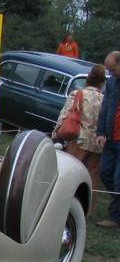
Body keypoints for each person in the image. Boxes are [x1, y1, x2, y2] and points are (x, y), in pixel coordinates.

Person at [53, 64, 105, 212]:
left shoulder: (78, 94)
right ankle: (87, 209)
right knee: (92, 177)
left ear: (88, 78)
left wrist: (56, 136)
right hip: (97, 144)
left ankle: (62, 203)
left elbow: (65, 115)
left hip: (79, 140)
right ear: (102, 83)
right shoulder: (104, 99)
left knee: (69, 172)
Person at [96, 51, 120, 228]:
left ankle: (115, 217)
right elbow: (104, 108)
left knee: (119, 179)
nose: (110, 74)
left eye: (112, 69)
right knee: (105, 172)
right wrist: (100, 132)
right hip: (111, 138)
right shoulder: (112, 83)